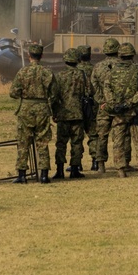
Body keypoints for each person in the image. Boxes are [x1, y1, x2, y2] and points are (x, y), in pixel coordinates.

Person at [9, 43, 59, 184]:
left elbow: (13, 93)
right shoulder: (47, 72)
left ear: (28, 55)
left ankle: (22, 175)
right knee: (43, 141)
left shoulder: (22, 72)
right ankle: (43, 175)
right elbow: (54, 93)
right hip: (42, 108)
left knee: (23, 142)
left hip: (25, 109)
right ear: (41, 56)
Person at [102, 43, 138, 177]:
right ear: (132, 55)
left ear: (120, 55)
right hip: (135, 111)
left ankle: (120, 170)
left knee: (118, 141)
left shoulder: (111, 71)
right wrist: (130, 103)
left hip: (118, 113)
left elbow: (106, 89)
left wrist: (114, 104)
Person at [52, 48, 92, 179]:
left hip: (63, 114)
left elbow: (54, 96)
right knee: (76, 142)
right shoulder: (82, 75)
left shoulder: (59, 76)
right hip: (78, 113)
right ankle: (75, 169)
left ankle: (60, 170)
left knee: (61, 143)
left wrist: (55, 111)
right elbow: (88, 92)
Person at [90, 38, 121, 173]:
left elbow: (93, 86)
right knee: (120, 135)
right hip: (120, 106)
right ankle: (121, 163)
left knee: (102, 136)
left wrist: (101, 101)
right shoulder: (123, 66)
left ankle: (101, 164)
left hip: (103, 107)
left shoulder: (98, 67)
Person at [76, 45, 99, 171]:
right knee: (93, 134)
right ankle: (95, 162)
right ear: (90, 56)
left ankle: (77, 163)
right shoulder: (95, 69)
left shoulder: (75, 70)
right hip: (92, 105)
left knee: (78, 136)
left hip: (78, 106)